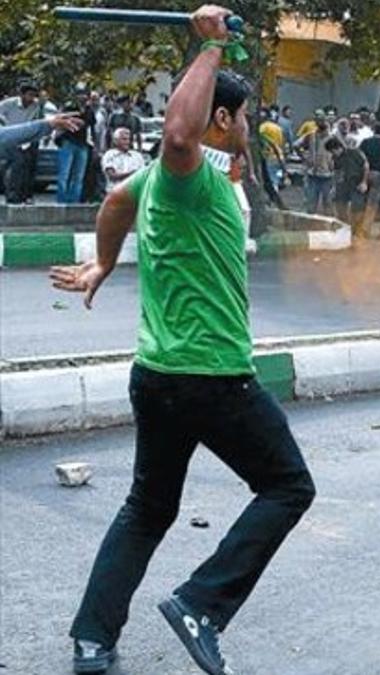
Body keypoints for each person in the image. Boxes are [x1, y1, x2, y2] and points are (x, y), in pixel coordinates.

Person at [49, 7, 315, 674]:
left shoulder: (172, 182)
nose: (250, 127)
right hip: (212, 377)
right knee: (288, 485)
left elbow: (115, 202)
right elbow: (175, 134)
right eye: (243, 116)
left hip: (159, 375)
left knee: (148, 506)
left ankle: (92, 639)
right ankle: (201, 602)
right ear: (221, 120)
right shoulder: (185, 171)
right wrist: (214, 45)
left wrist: (106, 261)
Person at [56, 86, 97, 204]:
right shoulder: (69, 107)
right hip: (68, 142)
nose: (82, 97)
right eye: (80, 94)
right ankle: (61, 202)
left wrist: (95, 146)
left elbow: (90, 127)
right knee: (64, 174)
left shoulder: (89, 110)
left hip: (83, 144)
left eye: (85, 94)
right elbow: (63, 121)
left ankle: (74, 202)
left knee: (78, 177)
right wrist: (77, 121)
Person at [328, 137, 369, 236]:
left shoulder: (354, 152)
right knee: (340, 205)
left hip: (356, 182)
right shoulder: (335, 158)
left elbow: (366, 166)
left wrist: (364, 182)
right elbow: (336, 172)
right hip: (343, 184)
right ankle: (344, 229)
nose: (333, 153)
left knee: (357, 207)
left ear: (338, 148)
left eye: (333, 151)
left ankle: (356, 230)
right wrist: (334, 186)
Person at [358, 123, 380, 237]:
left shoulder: (365, 142)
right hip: (378, 173)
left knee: (361, 201)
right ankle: (366, 229)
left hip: (364, 174)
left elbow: (359, 156)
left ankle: (357, 226)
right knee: (372, 203)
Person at [297, 116, 334, 215]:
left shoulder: (332, 137)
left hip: (327, 174)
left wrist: (333, 165)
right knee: (311, 203)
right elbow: (296, 145)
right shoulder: (311, 136)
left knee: (328, 203)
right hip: (313, 174)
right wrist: (304, 158)